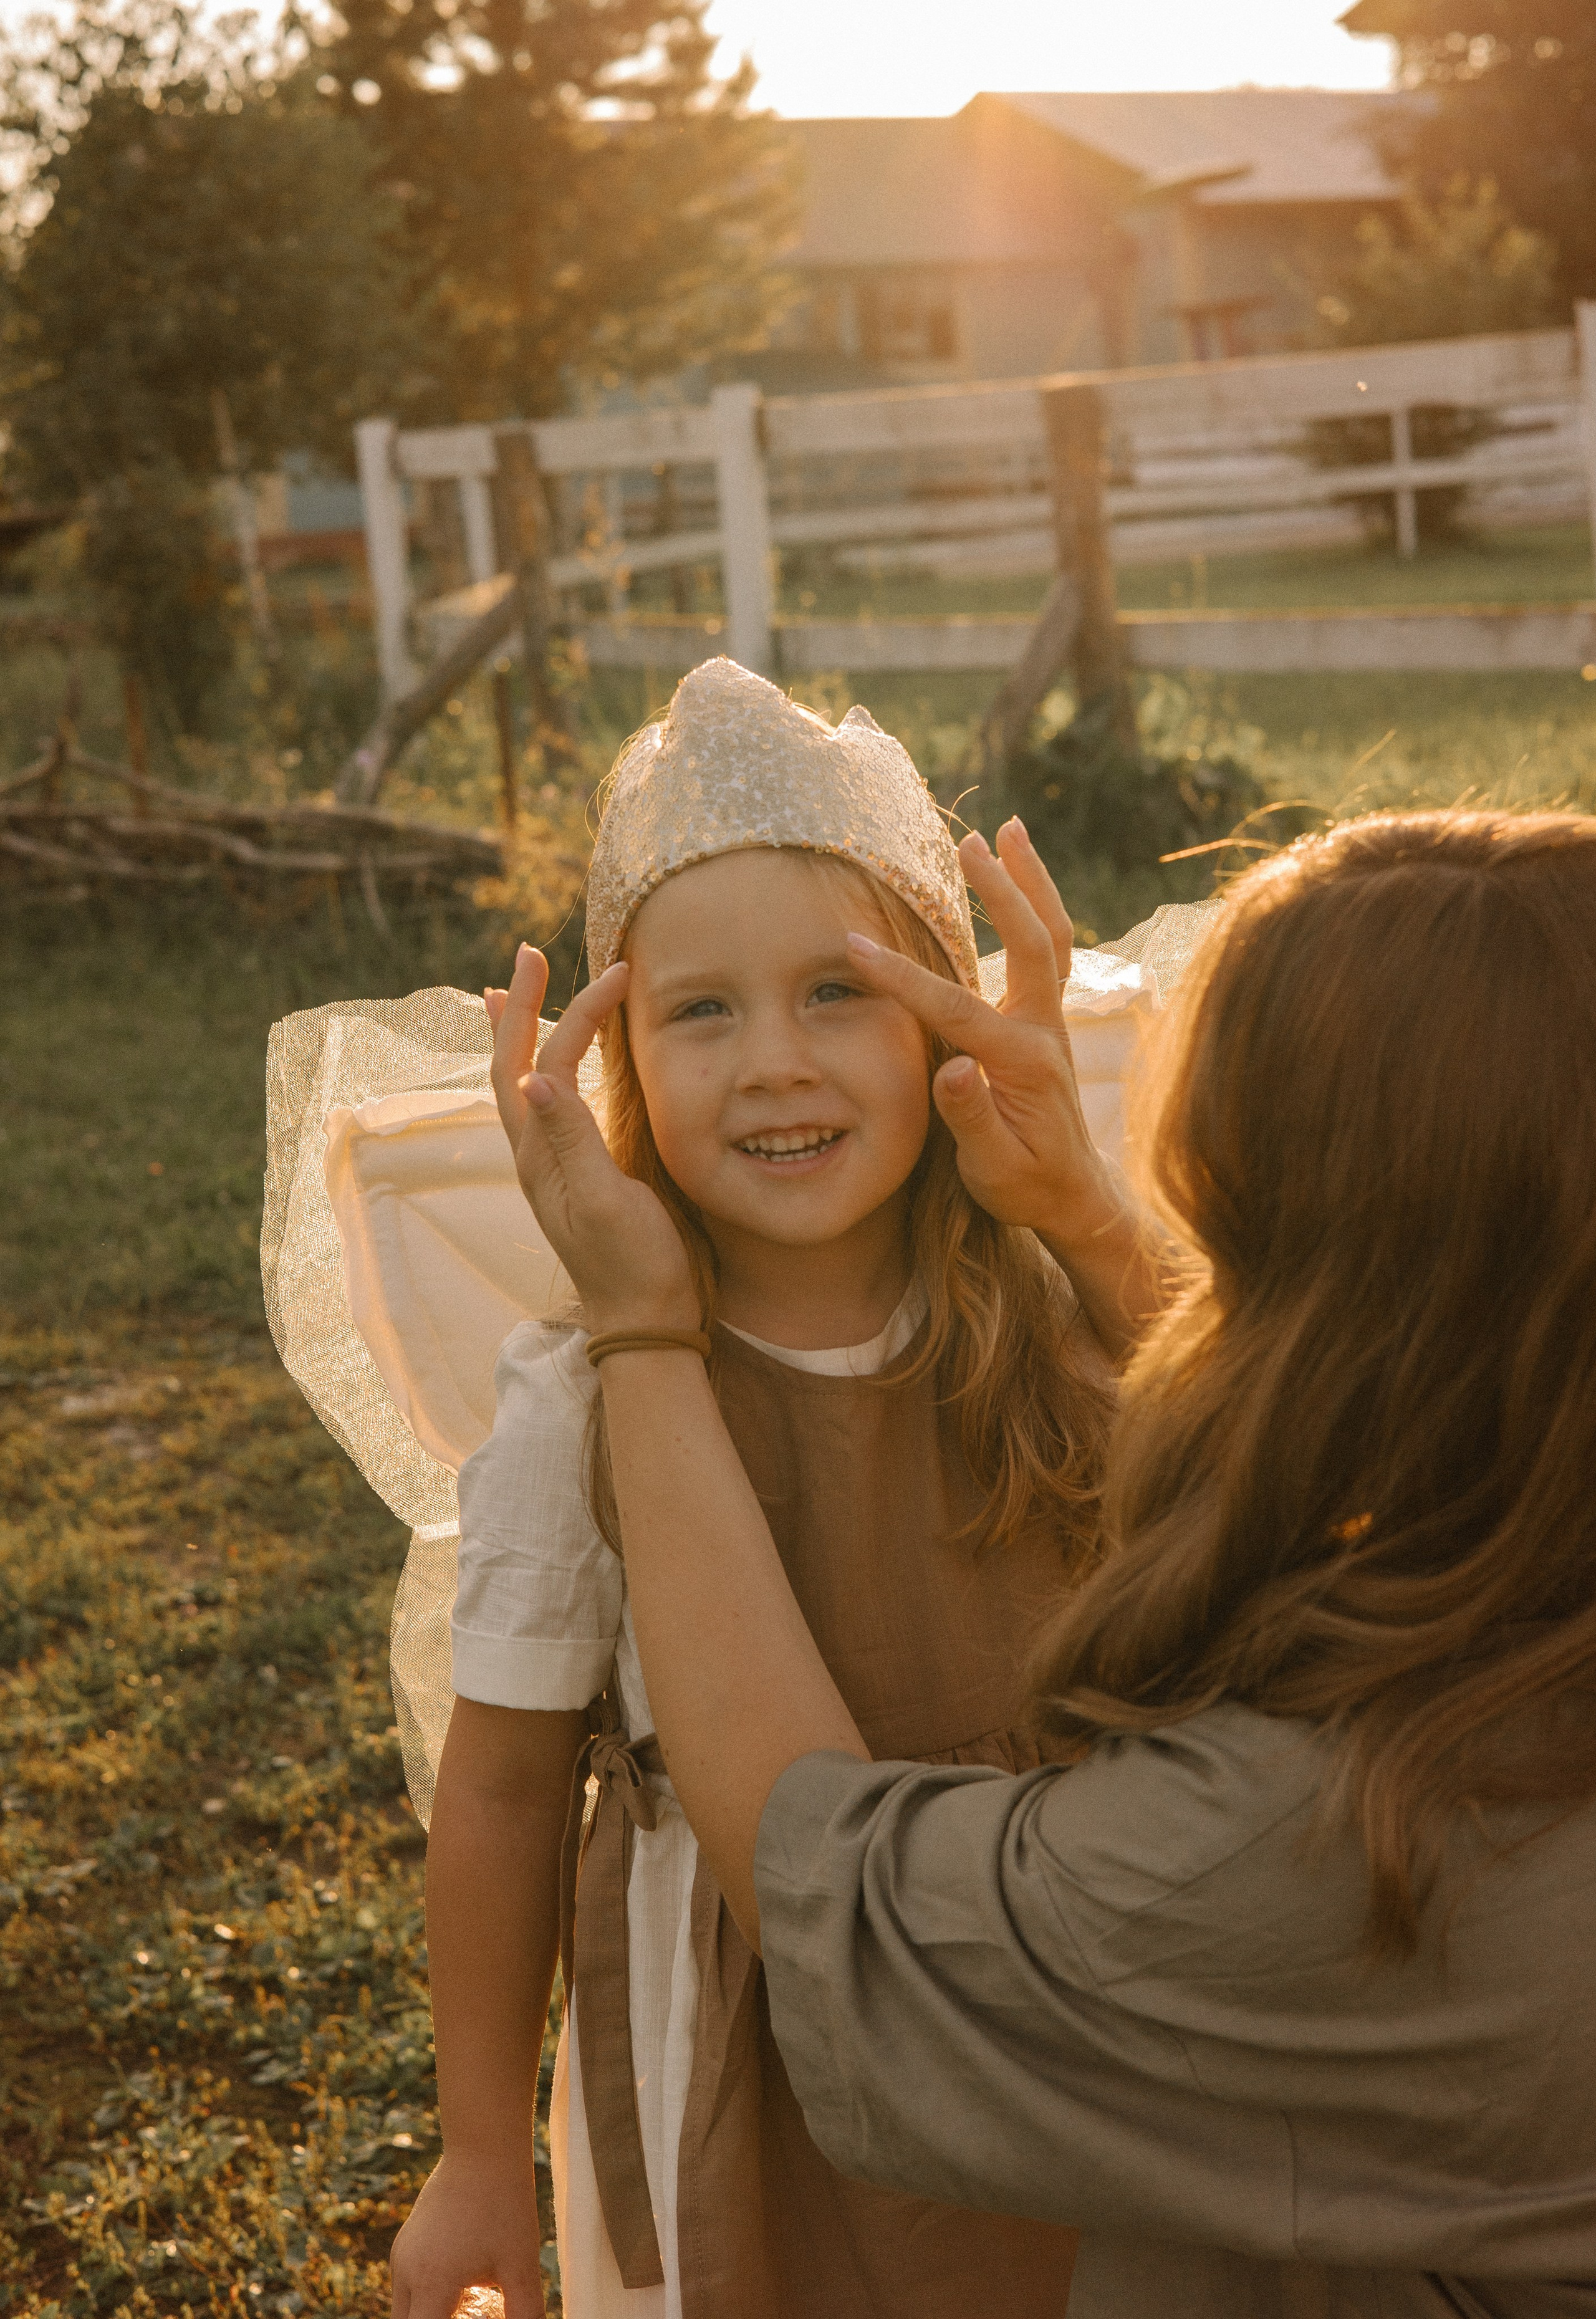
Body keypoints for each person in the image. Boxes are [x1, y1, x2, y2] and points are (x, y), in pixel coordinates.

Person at [491, 807, 1596, 2319]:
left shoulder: (1323, 1833)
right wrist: (1079, 1208)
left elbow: (846, 1900)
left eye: (1221, 1234)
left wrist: (641, 1332)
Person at [390, 658, 1169, 2319]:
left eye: (836, 992)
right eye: (701, 1011)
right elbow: (508, 1793)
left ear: (944, 1016)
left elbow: (1274, 1473)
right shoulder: (578, 1402)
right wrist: (475, 2153)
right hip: (745, 2040)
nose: (772, 1064)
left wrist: (1087, 1219)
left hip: (1057, 1984)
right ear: (619, 1059)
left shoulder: (1041, 1312)